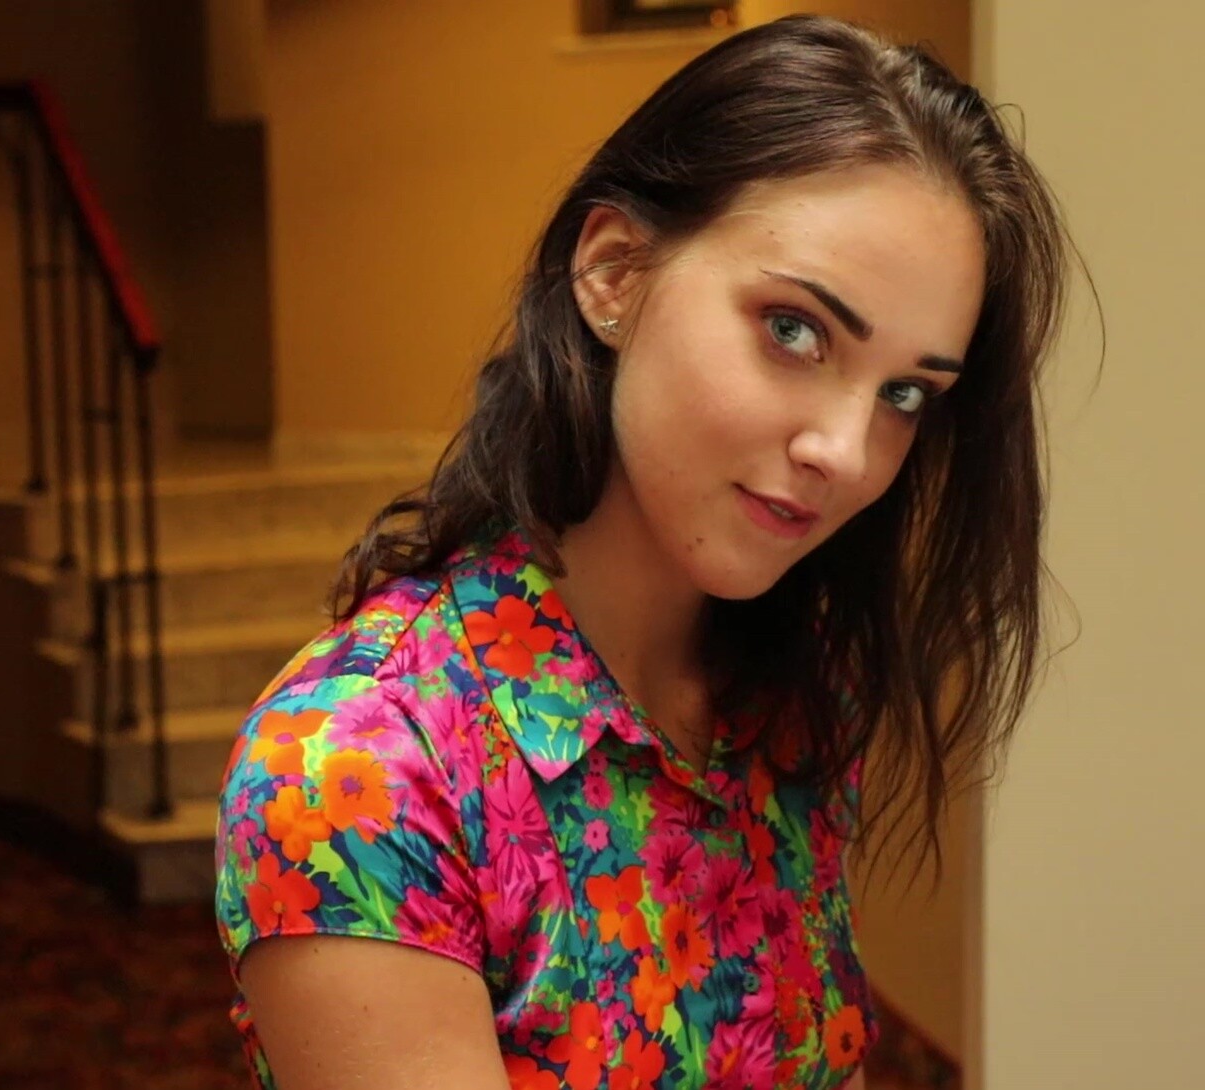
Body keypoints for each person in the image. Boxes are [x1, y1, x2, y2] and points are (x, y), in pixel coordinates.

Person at [213, 12, 1076, 1089]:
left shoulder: (790, 689)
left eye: (905, 394)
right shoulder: (361, 769)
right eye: (795, 330)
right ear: (614, 272)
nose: (847, 452)